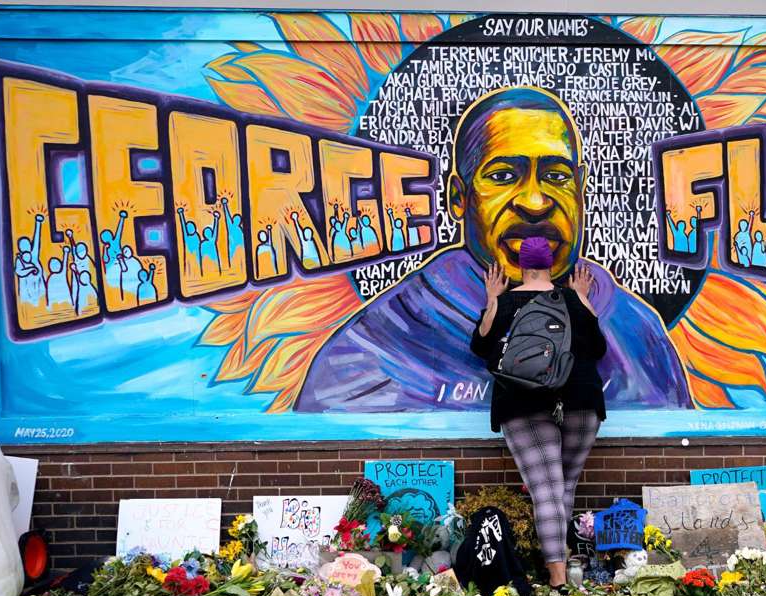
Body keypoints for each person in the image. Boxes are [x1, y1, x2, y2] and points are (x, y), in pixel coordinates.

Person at [295, 86, 689, 413]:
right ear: (458, 198)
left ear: (581, 191)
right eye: (502, 175)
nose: (535, 202)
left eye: (556, 176)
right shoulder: (371, 351)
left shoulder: (637, 333)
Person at [470, 236, 605, 587]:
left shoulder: (505, 302)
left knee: (546, 490)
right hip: (581, 399)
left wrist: (492, 299)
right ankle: (566, 569)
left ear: (520, 265)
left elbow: (481, 346)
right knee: (563, 488)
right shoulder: (572, 300)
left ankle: (558, 579)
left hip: (523, 401)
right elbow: (598, 347)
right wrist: (582, 297)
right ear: (551, 264)